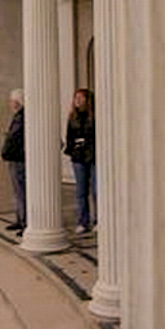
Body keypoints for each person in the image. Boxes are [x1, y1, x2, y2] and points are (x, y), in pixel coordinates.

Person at [65, 88, 97, 235]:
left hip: (94, 156)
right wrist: (72, 149)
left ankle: (99, 220)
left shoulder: (95, 116)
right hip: (78, 157)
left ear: (87, 99)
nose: (77, 100)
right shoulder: (72, 117)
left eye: (80, 97)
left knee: (96, 190)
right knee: (81, 191)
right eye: (75, 97)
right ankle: (83, 222)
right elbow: (69, 136)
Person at [2, 89, 27, 231]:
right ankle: (20, 219)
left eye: (11, 101)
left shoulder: (22, 116)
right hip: (15, 157)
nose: (10, 104)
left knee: (21, 191)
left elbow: (16, 138)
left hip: (19, 158)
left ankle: (25, 222)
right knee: (18, 191)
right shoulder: (18, 116)